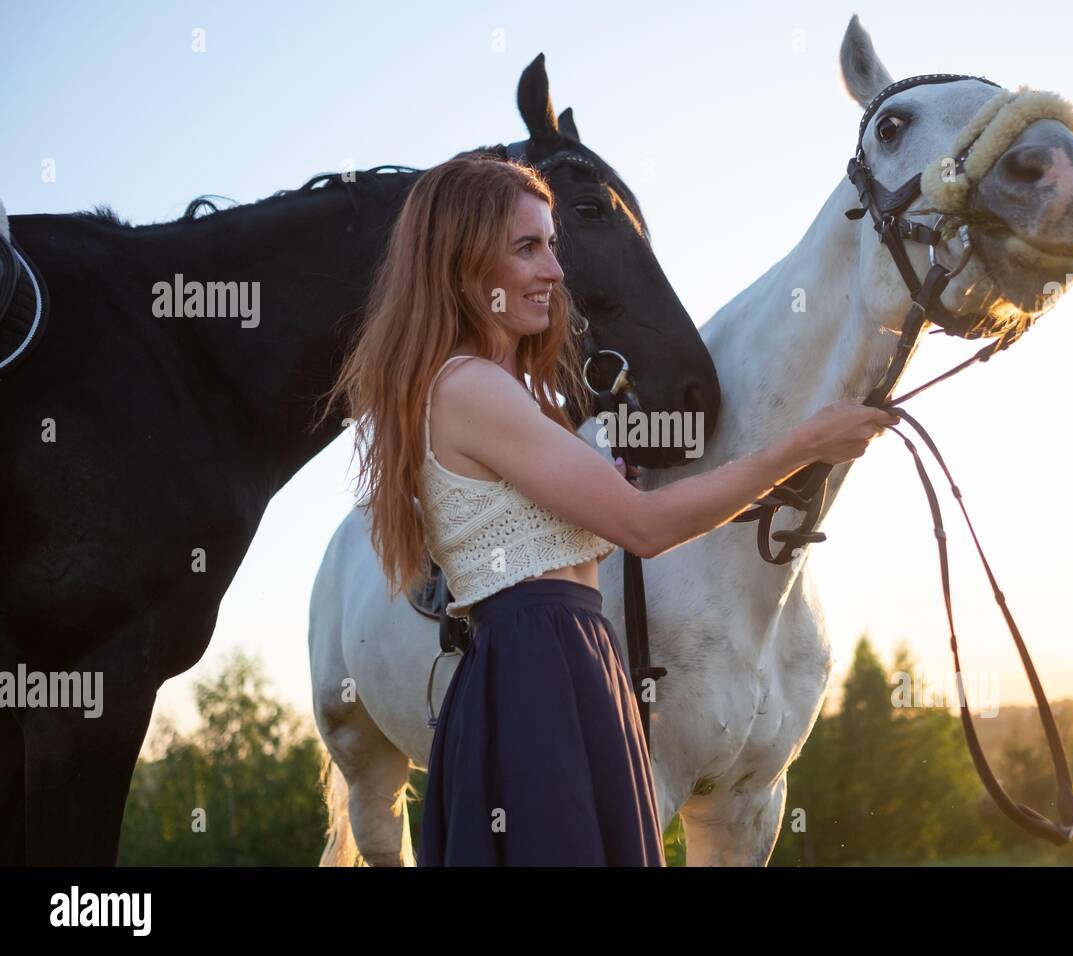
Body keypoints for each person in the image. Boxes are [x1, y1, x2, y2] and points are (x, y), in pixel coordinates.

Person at [320, 152, 898, 866]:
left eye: (552, 247)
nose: (555, 272)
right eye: (527, 248)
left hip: (565, 653)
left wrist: (584, 515)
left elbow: (554, 550)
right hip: (539, 665)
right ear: (464, 262)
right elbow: (645, 527)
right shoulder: (470, 386)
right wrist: (802, 445)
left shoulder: (501, 391)